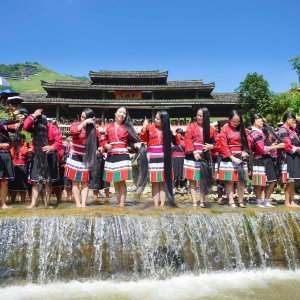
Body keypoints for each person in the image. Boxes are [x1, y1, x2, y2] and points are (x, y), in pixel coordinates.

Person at [101, 106, 147, 208]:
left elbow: (131, 142)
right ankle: (119, 203)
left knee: (121, 181)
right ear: (115, 114)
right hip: (111, 156)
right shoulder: (108, 128)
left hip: (122, 155)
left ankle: (122, 204)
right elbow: (103, 140)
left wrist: (135, 145)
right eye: (120, 112)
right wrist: (105, 145)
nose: (122, 114)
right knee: (115, 181)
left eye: (124, 113)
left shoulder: (127, 128)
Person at [23, 109, 62, 208]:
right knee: (35, 182)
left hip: (49, 157)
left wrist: (52, 147)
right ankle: (33, 203)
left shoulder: (53, 128)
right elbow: (25, 126)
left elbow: (59, 141)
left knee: (47, 182)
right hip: (37, 156)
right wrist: (34, 115)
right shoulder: (34, 127)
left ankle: (46, 204)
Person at [65, 108, 101, 208]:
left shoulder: (94, 129)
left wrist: (102, 148)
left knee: (85, 181)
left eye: (84, 117)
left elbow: (98, 141)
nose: (82, 118)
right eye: (81, 116)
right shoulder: (76, 124)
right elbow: (73, 131)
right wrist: (84, 122)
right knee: (75, 181)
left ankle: (84, 203)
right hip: (75, 155)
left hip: (87, 157)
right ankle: (78, 204)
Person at [140, 110, 177, 207]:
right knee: (155, 182)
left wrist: (174, 133)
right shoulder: (150, 128)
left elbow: (177, 142)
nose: (155, 120)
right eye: (155, 118)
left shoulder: (167, 130)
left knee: (163, 182)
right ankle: (156, 204)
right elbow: (143, 139)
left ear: (164, 120)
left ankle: (162, 204)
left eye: (157, 118)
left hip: (165, 158)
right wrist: (143, 128)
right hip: (153, 158)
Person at [250, 114, 285, 207]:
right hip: (259, 159)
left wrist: (273, 145)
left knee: (273, 181)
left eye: (262, 120)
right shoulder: (254, 132)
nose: (262, 122)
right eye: (260, 120)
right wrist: (276, 146)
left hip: (267, 158)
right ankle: (258, 201)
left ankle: (266, 201)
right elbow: (261, 149)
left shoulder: (262, 131)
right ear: (255, 121)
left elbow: (266, 146)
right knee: (259, 183)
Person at [218, 110, 251, 208]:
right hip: (230, 158)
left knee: (241, 180)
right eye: (234, 121)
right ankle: (231, 200)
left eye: (238, 121)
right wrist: (232, 157)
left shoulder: (243, 130)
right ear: (229, 119)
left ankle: (241, 201)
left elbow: (248, 143)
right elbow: (223, 145)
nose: (236, 123)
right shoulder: (225, 129)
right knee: (230, 181)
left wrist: (246, 151)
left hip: (241, 157)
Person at [183, 107, 215, 208]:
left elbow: (215, 142)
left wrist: (211, 146)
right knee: (192, 179)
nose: (199, 117)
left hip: (204, 156)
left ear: (206, 116)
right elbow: (187, 140)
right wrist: (194, 152)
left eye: (201, 116)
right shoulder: (191, 126)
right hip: (192, 155)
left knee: (203, 179)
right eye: (198, 115)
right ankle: (194, 201)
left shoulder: (211, 129)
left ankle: (202, 201)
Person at [278, 113, 300, 207]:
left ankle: (292, 201)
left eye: (295, 121)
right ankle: (287, 202)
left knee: (294, 180)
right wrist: (298, 149)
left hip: (294, 157)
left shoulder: (292, 129)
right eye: (293, 120)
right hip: (288, 157)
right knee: (290, 180)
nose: (294, 122)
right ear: (287, 119)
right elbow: (287, 145)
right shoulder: (283, 130)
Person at [172, 128, 186, 194]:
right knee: (174, 174)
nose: (179, 134)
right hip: (174, 158)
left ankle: (181, 187)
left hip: (182, 158)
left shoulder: (184, 141)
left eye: (180, 133)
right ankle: (174, 188)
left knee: (181, 175)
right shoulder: (173, 141)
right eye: (178, 133)